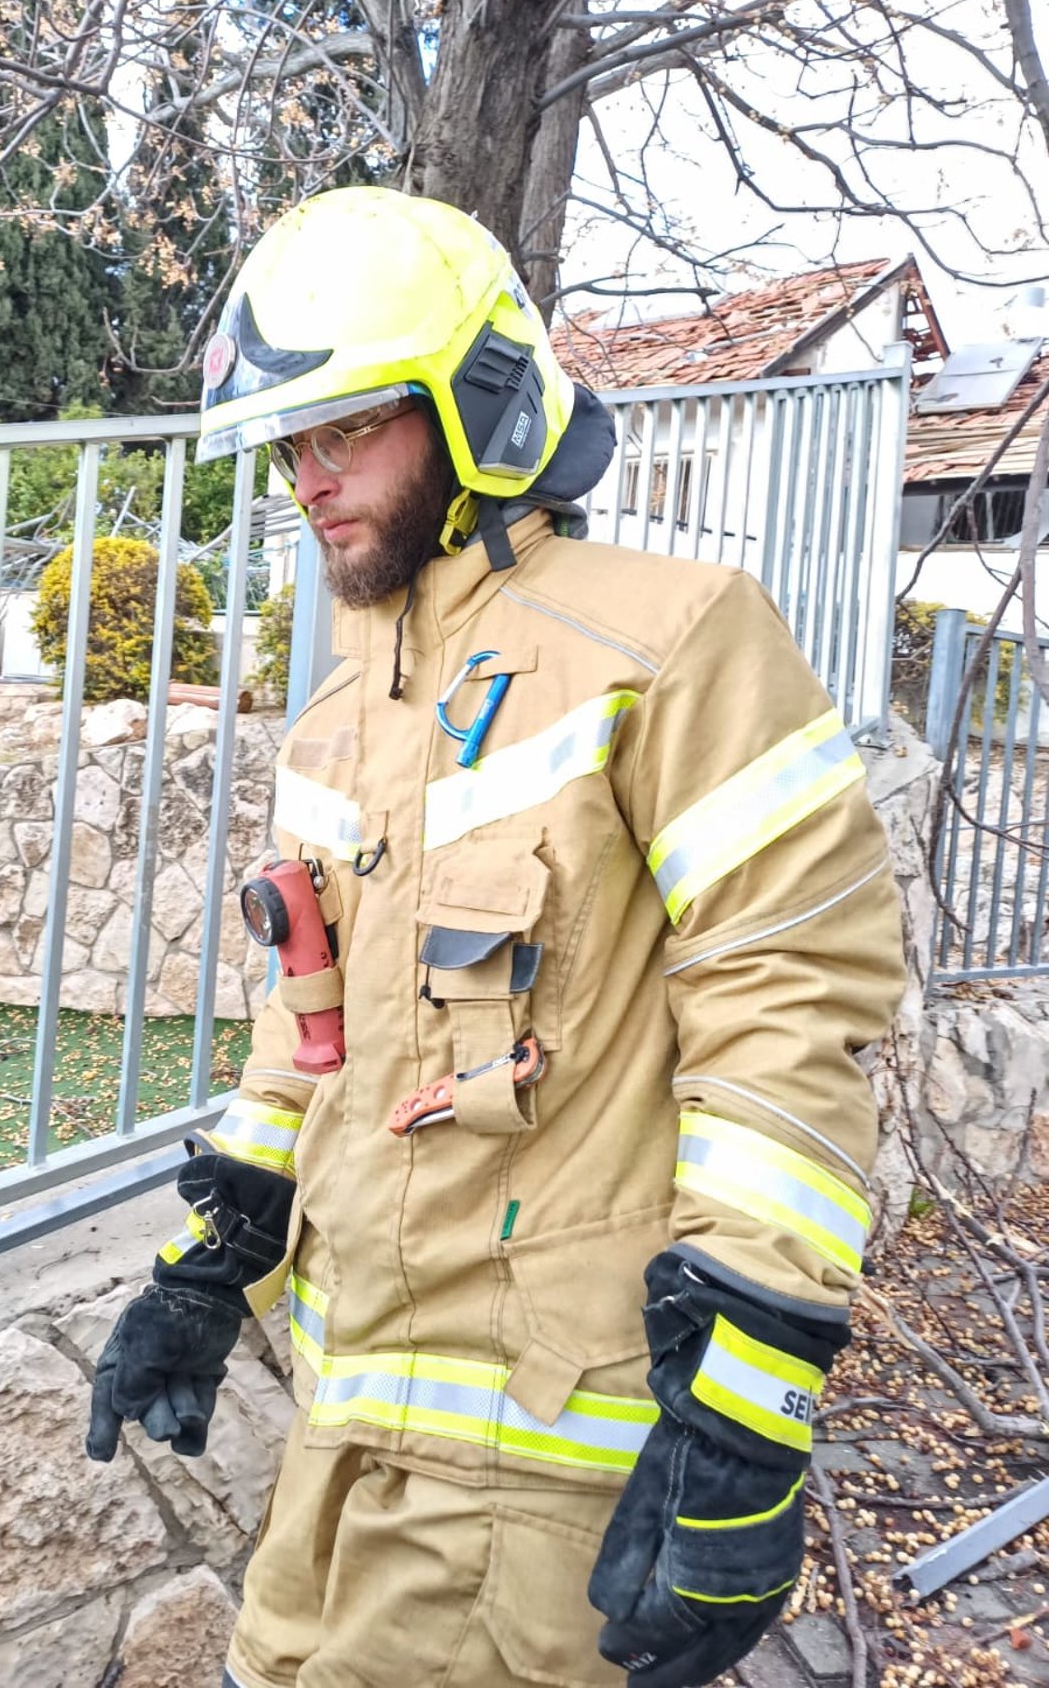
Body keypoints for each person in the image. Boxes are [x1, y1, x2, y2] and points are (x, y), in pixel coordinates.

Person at [86, 187, 906, 1688]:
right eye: (291, 444)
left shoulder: (675, 639)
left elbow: (790, 998)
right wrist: (203, 1268)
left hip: (538, 1465)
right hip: (345, 1440)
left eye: (348, 430)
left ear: (477, 413)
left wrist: (746, 1404)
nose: (310, 479)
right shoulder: (341, 712)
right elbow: (305, 1025)